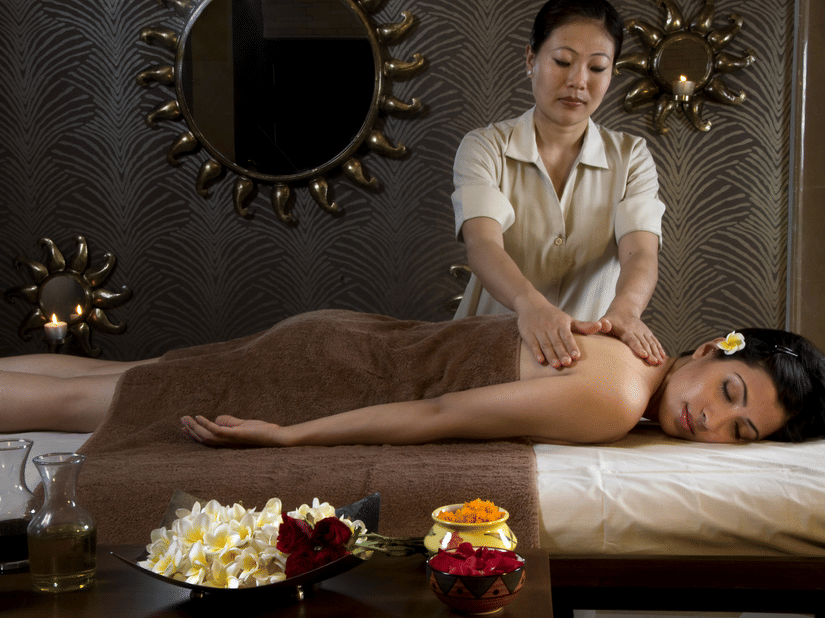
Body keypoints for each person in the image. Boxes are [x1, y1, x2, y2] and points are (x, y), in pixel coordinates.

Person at [1, 311, 824, 446]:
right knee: (94, 402)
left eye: (738, 430)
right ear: (717, 348)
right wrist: (292, 438)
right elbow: (437, 413)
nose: (709, 424)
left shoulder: (637, 352)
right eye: (726, 393)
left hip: (345, 339)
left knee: (129, 374)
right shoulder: (616, 394)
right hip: (331, 373)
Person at [452, 0, 666, 370]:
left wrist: (626, 311)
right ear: (531, 59)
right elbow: (483, 242)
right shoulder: (485, 147)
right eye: (563, 62)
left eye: (597, 67)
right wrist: (529, 306)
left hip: (585, 356)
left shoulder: (632, 157)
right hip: (485, 344)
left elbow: (641, 252)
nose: (578, 82)